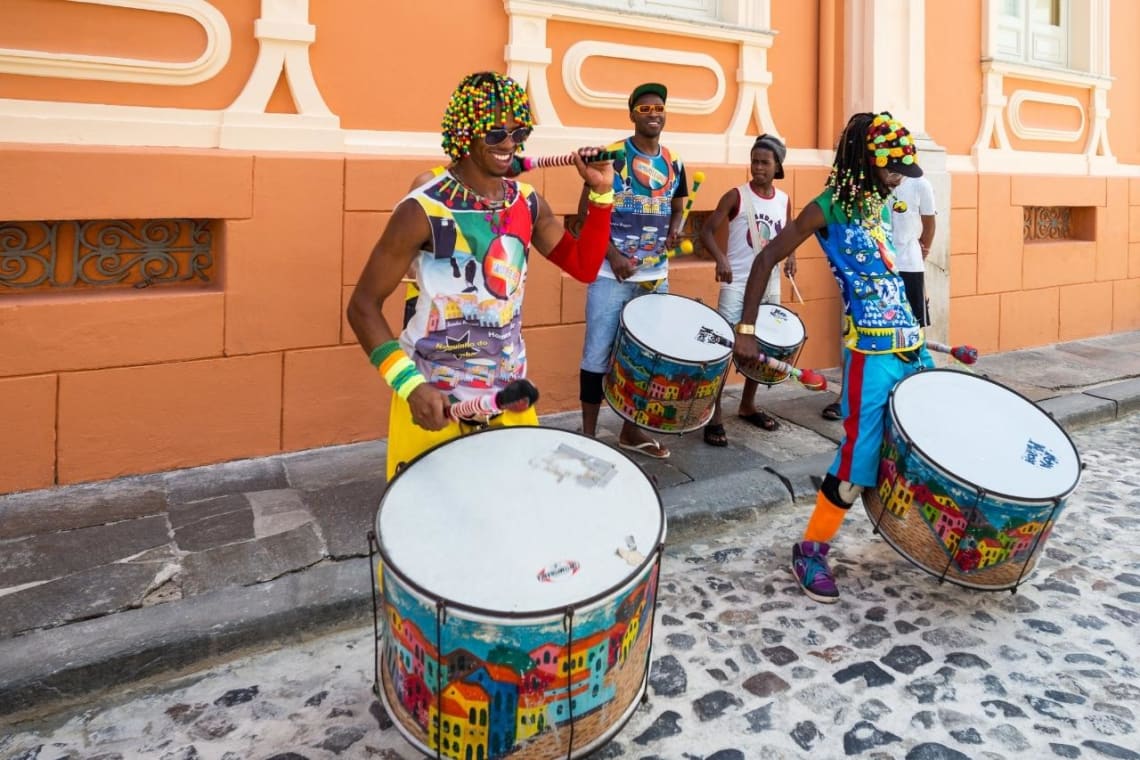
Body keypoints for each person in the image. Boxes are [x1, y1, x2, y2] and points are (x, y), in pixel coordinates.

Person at [347, 71, 616, 480]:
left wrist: (601, 194)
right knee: (434, 530)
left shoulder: (527, 204)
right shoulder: (422, 210)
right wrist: (410, 387)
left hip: (509, 398)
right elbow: (363, 306)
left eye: (517, 130)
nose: (509, 143)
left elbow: (583, 267)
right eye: (494, 134)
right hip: (434, 400)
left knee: (514, 519)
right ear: (464, 134)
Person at [732, 112, 933, 604]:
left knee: (922, 437)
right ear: (864, 159)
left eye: (901, 171)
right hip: (869, 352)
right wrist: (747, 330)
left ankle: (923, 532)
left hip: (909, 342)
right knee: (857, 457)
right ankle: (812, 548)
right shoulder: (829, 208)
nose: (896, 179)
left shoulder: (880, 206)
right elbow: (764, 259)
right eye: (889, 168)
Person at [578, 82, 688, 460]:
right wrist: (612, 255)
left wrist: (676, 229)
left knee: (649, 358)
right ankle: (588, 436)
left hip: (655, 276)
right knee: (597, 354)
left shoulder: (674, 163)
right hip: (612, 275)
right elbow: (584, 217)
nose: (653, 113)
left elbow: (679, 205)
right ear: (631, 115)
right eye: (644, 109)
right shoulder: (612, 157)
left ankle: (630, 431)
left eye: (658, 107)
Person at [698, 134, 794, 446]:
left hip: (770, 282)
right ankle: (714, 413)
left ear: (777, 165)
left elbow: (789, 232)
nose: (757, 167)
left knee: (762, 346)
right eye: (754, 161)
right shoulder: (736, 196)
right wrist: (720, 257)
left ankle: (748, 403)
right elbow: (706, 231)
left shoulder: (783, 200)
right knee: (724, 347)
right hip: (736, 282)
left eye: (764, 162)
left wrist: (792, 256)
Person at [891, 174, 937, 327]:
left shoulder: (920, 184)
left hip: (909, 265)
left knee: (913, 325)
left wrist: (922, 249)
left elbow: (929, 224)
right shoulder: (872, 181)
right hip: (878, 265)